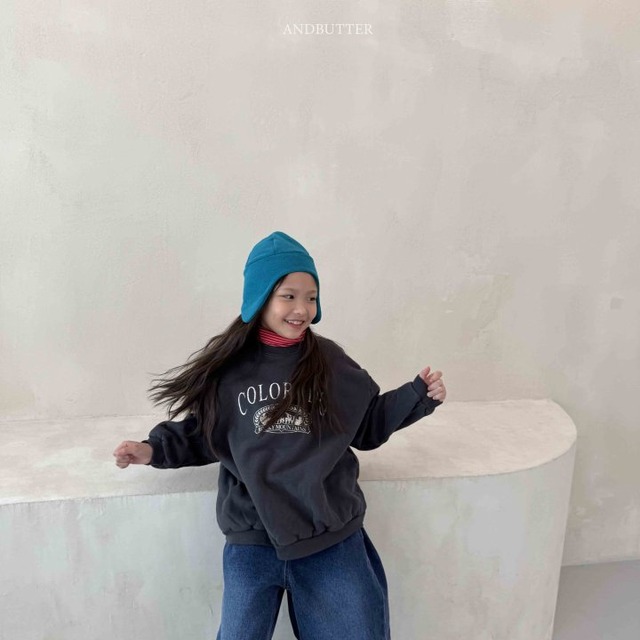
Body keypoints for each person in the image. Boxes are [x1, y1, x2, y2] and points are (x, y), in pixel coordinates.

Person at [113, 231, 447, 640]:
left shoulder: (328, 362)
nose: (302, 309)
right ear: (261, 297)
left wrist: (416, 396)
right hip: (253, 538)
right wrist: (153, 449)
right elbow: (205, 433)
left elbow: (365, 424)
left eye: (311, 297)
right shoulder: (230, 370)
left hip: (329, 537)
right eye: (288, 296)